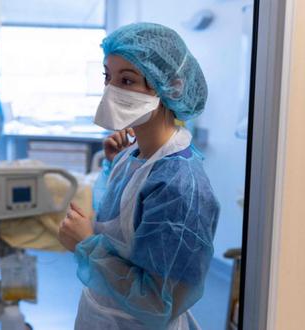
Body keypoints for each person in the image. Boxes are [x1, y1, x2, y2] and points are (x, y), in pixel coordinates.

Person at [57, 23, 220, 329]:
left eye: (127, 80)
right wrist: (113, 166)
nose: (111, 90)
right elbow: (118, 226)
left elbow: (158, 303)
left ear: (170, 87)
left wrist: (86, 244)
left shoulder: (180, 186)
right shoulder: (133, 156)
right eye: (108, 77)